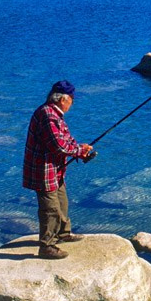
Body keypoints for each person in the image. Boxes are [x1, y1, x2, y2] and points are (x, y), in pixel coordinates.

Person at [23, 80, 96, 259]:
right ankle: (47, 246)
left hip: (55, 170)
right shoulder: (48, 115)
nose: (72, 102)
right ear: (63, 99)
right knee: (50, 209)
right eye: (71, 98)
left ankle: (63, 233)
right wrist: (78, 152)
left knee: (62, 202)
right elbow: (58, 146)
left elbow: (66, 140)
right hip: (43, 171)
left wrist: (80, 148)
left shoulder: (55, 114)